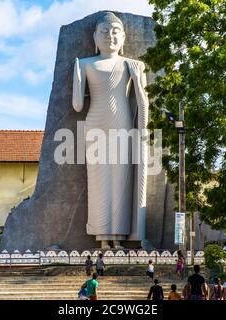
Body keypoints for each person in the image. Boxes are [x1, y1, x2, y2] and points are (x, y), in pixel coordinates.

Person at [72, 12, 150, 249]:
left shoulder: (133, 65)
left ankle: (118, 237)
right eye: (104, 32)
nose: (110, 36)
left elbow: (144, 104)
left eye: (115, 32)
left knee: (121, 180)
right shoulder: (84, 64)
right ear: (95, 37)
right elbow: (77, 105)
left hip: (122, 123)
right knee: (98, 181)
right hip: (95, 122)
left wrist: (137, 80)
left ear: (123, 37)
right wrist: (77, 77)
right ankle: (102, 237)